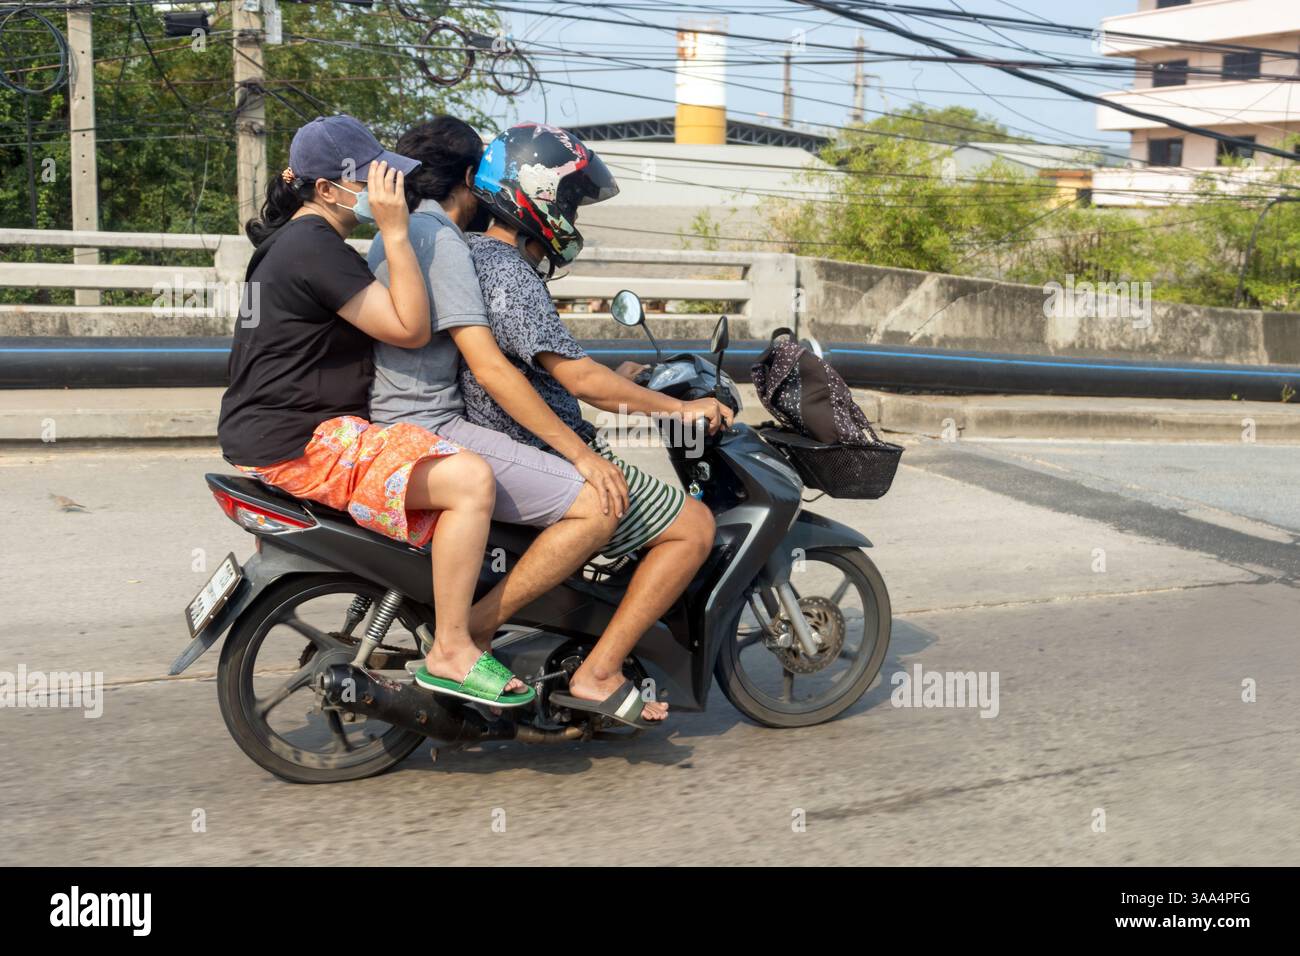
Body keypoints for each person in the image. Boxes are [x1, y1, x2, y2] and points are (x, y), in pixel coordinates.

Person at [217, 114, 531, 708]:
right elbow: (411, 328)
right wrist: (394, 230)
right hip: (300, 440)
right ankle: (454, 650)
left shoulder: (294, 242)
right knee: (470, 481)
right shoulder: (314, 246)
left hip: (274, 431)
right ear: (327, 187)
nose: (381, 189)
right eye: (368, 179)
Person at [464, 123, 734, 726]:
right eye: (570, 200)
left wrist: (623, 376)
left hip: (507, 439)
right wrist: (681, 409)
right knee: (692, 525)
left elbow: (555, 368)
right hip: (533, 450)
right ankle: (599, 671)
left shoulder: (479, 257)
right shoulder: (508, 271)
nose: (573, 214)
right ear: (537, 193)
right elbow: (581, 382)